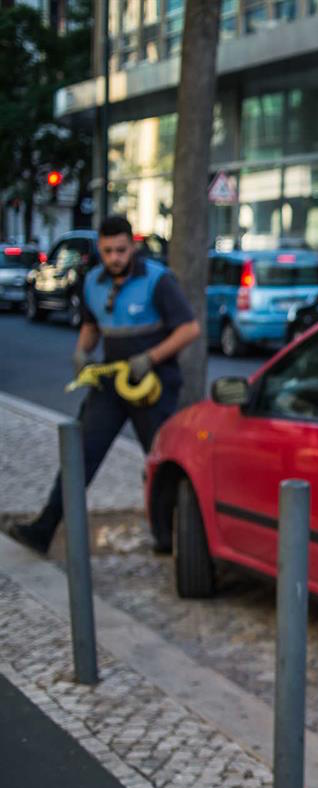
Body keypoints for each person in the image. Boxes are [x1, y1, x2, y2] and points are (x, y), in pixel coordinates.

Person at [9, 216, 200, 554]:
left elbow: (189, 330)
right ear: (99, 247)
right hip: (110, 385)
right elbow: (91, 325)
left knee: (159, 461)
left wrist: (150, 358)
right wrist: (82, 353)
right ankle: (44, 529)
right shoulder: (93, 283)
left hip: (152, 386)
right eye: (108, 250)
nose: (115, 257)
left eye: (121, 250)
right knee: (80, 455)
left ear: (133, 246)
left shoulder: (158, 281)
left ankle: (166, 536)